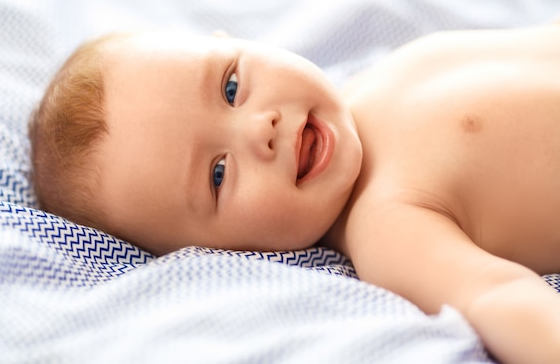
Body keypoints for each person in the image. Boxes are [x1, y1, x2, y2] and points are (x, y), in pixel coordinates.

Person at [29, 24, 560, 364]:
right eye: (217, 175)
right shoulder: (385, 222)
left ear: (232, 40)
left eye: (230, 87)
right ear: (229, 254)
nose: (260, 129)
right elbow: (496, 296)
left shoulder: (382, 74)